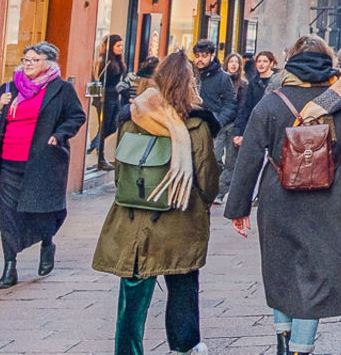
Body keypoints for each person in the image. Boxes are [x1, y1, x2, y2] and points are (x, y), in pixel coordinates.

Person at [225, 36, 341, 355]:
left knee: (281, 268)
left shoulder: (272, 101)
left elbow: (250, 155)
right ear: (328, 61)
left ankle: (283, 338)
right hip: (329, 197)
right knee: (318, 273)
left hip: (277, 195)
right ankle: (300, 349)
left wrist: (238, 207)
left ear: (291, 61)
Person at [93, 51, 220, 355]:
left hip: (134, 217)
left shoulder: (133, 117)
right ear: (190, 83)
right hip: (179, 215)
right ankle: (184, 345)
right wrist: (202, 203)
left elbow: (120, 169)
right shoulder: (196, 125)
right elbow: (207, 178)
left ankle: (127, 350)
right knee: (183, 281)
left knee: (133, 288)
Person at [0, 42, 86, 289]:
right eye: (26, 59)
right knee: (7, 216)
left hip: (43, 162)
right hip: (8, 162)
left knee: (41, 211)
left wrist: (60, 134)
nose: (28, 64)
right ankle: (9, 267)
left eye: (34, 60)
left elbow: (76, 116)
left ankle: (47, 242)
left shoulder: (61, 89)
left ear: (48, 63)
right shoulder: (10, 87)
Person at [187, 42, 236, 202]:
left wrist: (219, 121)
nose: (200, 60)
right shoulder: (189, 74)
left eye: (204, 56)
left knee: (211, 160)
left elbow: (230, 103)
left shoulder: (222, 77)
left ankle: (211, 191)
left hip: (212, 126)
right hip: (190, 124)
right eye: (198, 56)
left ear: (211, 56)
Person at [93, 36, 128, 171]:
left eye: (121, 45)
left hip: (115, 96)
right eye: (118, 45)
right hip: (106, 97)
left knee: (113, 125)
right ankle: (100, 157)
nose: (121, 48)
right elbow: (98, 78)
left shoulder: (118, 61)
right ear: (110, 46)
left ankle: (96, 145)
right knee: (105, 126)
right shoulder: (105, 61)